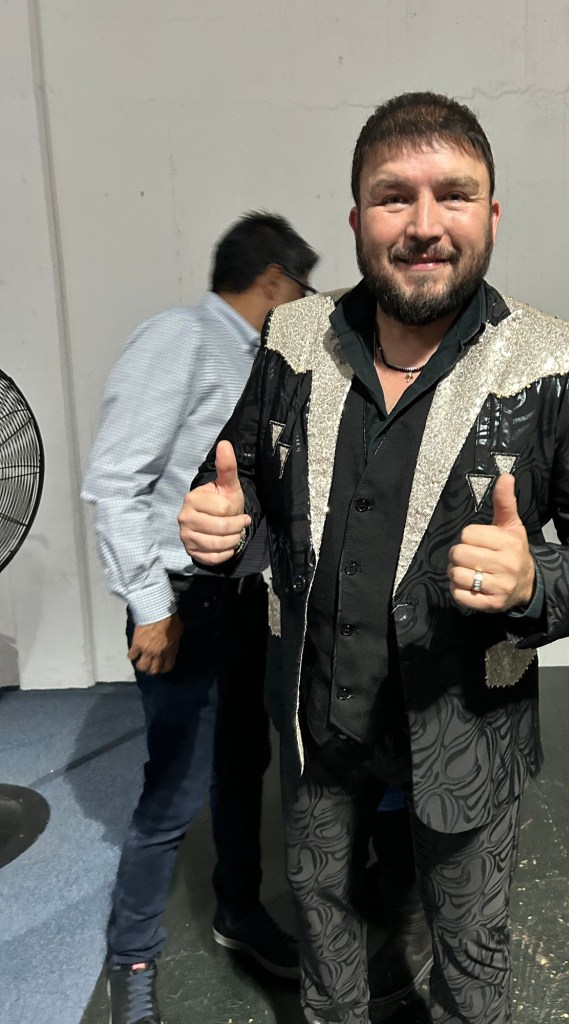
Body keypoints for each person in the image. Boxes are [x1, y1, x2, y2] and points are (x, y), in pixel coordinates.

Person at [178, 93, 569, 1024]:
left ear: (492, 214)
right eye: (394, 197)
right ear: (357, 218)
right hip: (320, 719)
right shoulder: (292, 342)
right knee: (325, 931)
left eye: (454, 195)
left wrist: (536, 582)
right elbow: (238, 483)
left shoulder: (549, 368)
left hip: (464, 730)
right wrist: (219, 525)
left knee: (470, 963)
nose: (425, 225)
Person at [82, 212, 318, 1024]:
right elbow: (116, 481)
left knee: (242, 764)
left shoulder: (260, 361)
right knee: (174, 793)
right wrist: (151, 608)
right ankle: (132, 957)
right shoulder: (179, 338)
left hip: (241, 601)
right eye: (303, 287)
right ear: (276, 281)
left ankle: (238, 911)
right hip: (181, 607)